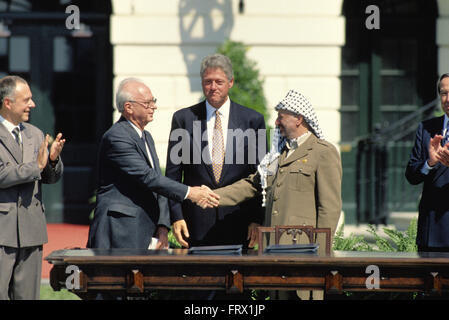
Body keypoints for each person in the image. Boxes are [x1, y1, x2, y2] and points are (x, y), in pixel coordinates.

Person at [207, 89, 342, 300]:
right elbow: (251, 185)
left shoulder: (322, 152)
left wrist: (320, 257)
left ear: (299, 118)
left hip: (304, 256)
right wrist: (212, 196)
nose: (277, 122)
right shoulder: (277, 155)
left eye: (281, 117)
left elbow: (330, 208)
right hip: (274, 255)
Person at [87, 78, 219, 250]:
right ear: (128, 107)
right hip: (120, 230)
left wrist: (163, 226)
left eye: (153, 101)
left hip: (145, 230)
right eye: (148, 103)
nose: (154, 107)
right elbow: (148, 177)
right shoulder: (117, 137)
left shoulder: (146, 137)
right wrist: (190, 192)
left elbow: (158, 181)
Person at [166, 53, 266, 249]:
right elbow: (173, 176)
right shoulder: (183, 119)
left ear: (231, 82)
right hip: (195, 225)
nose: (213, 87)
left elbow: (262, 176)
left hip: (240, 222)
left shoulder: (253, 120)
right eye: (208, 82)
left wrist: (257, 219)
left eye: (219, 82)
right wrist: (176, 216)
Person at [0, 75, 65, 300]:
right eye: (26, 99)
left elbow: (49, 177)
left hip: (31, 230)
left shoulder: (36, 133)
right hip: (2, 232)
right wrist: (36, 166)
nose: (33, 104)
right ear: (8, 103)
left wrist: (53, 161)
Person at [405, 73, 449, 252]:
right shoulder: (426, 128)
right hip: (432, 232)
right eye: (444, 93)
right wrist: (429, 162)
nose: (447, 99)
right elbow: (411, 175)